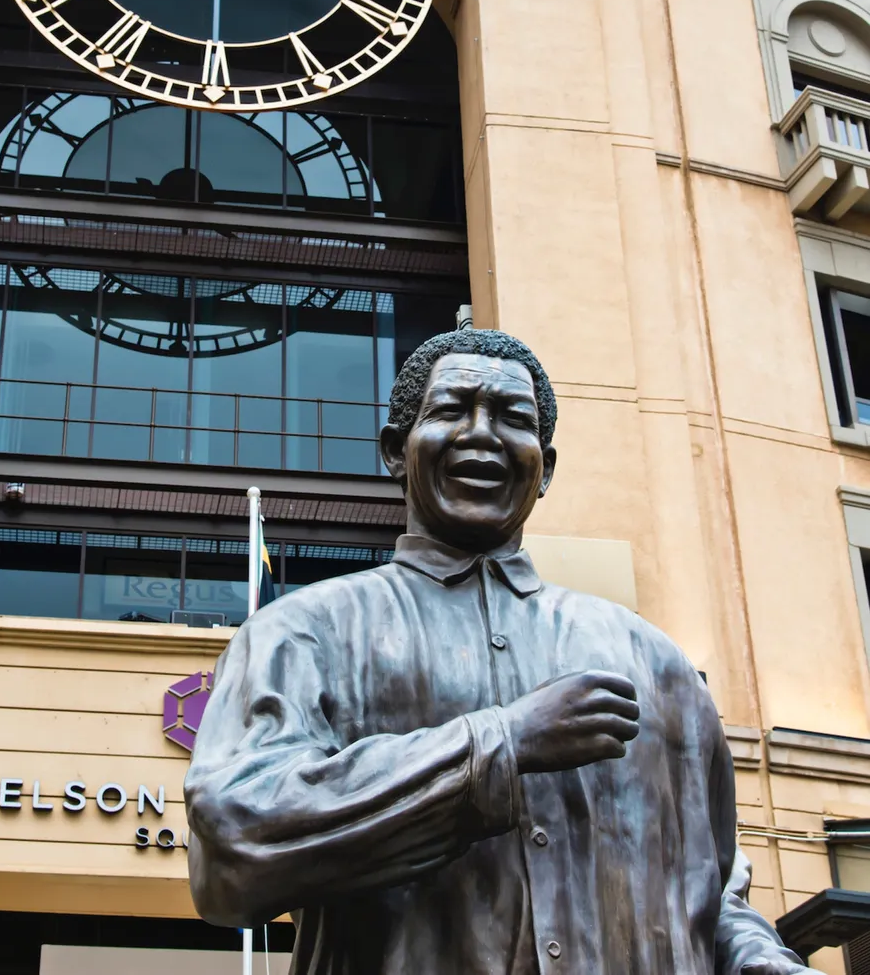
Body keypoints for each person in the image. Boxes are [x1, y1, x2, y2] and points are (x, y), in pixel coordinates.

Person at [184, 329, 804, 973]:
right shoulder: (304, 632)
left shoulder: (656, 663)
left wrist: (759, 958)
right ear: (397, 451)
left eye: (513, 419)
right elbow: (232, 844)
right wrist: (500, 745)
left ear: (546, 467)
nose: (483, 434)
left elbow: (712, 887)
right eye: (451, 410)